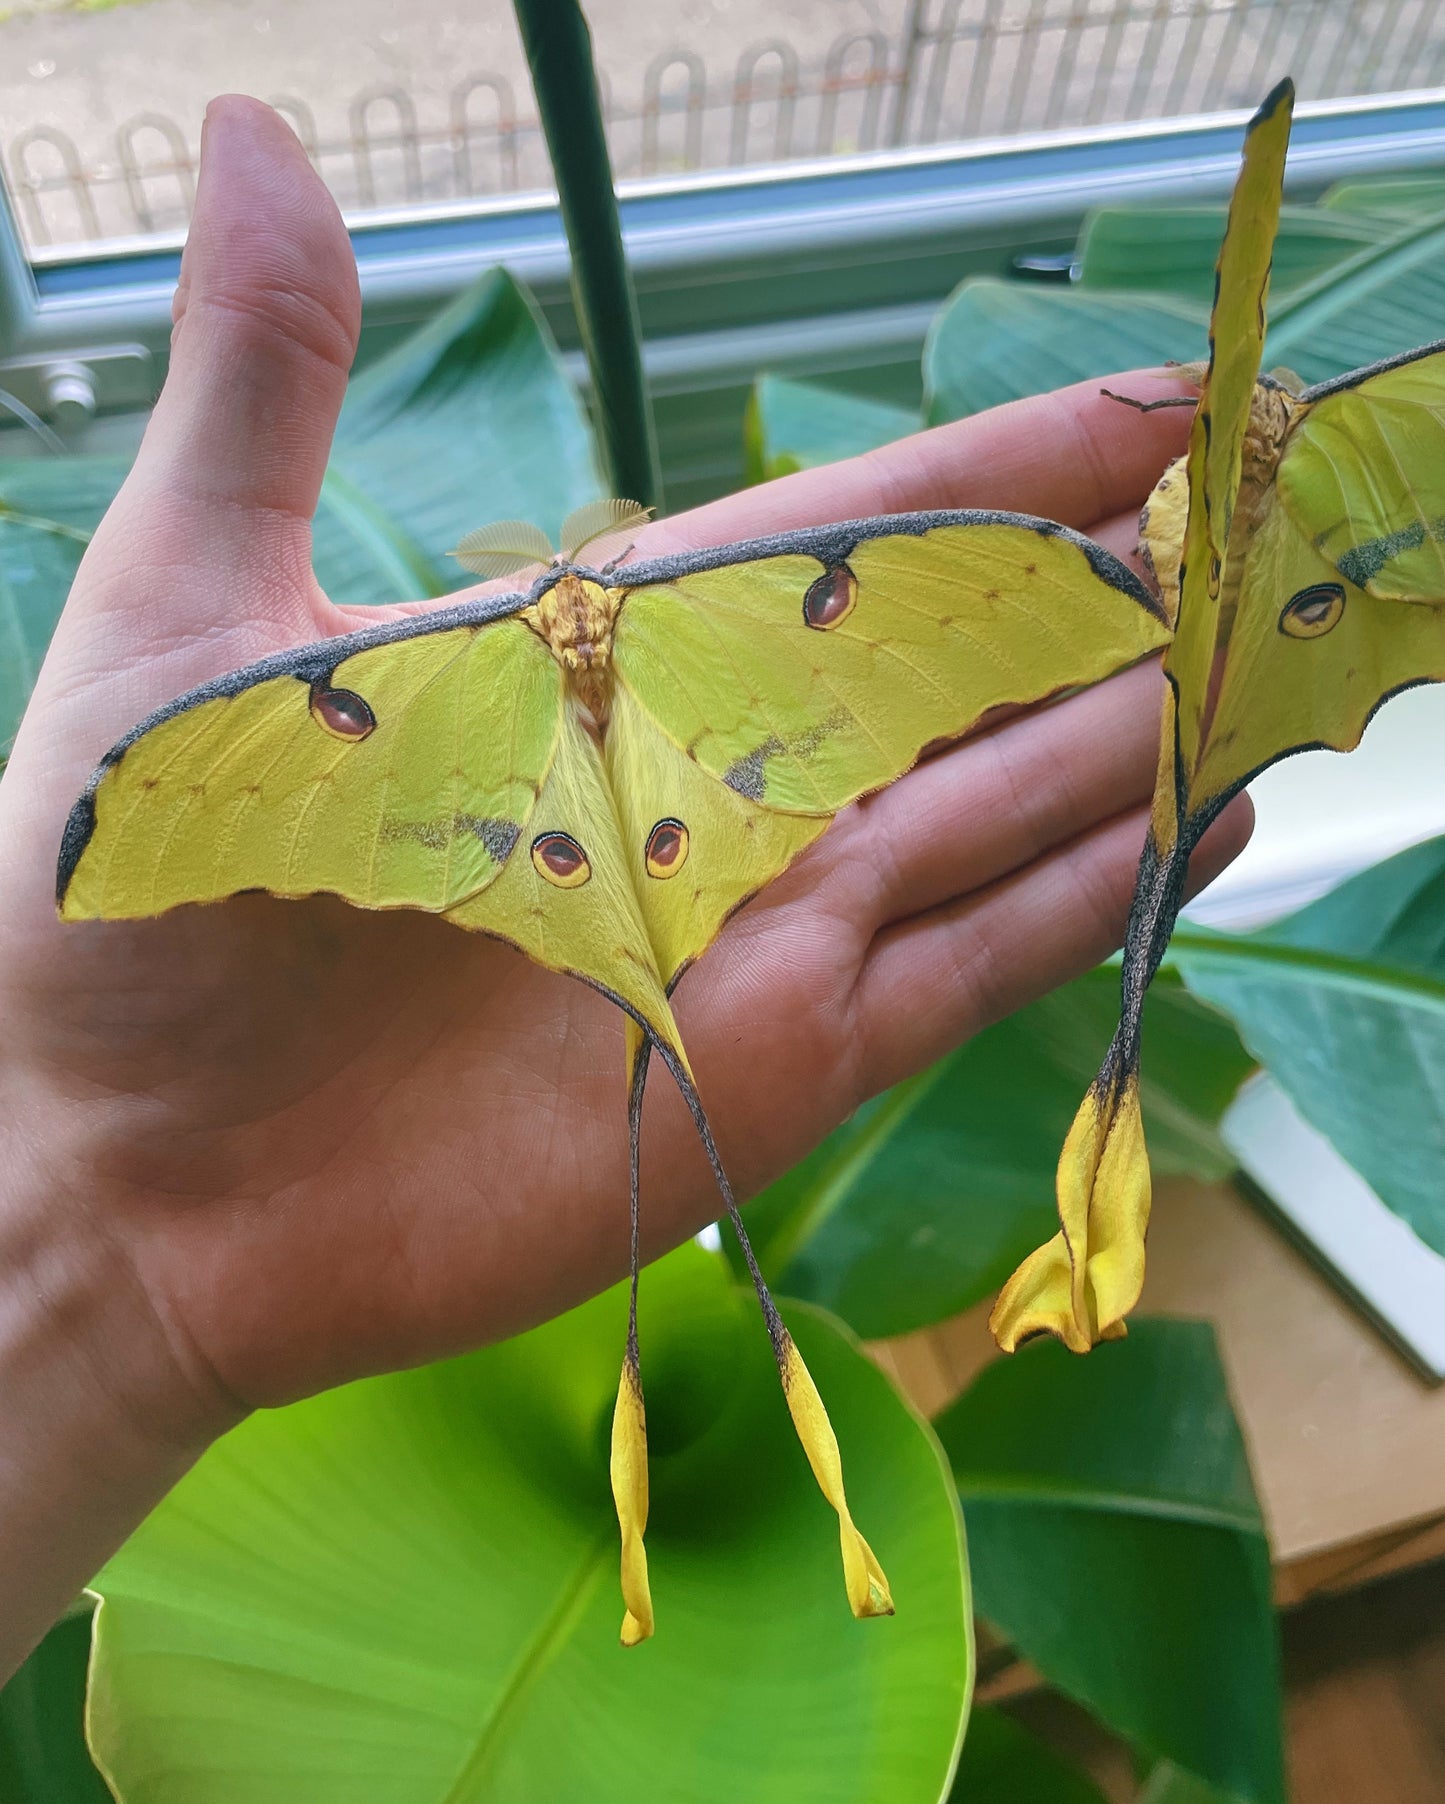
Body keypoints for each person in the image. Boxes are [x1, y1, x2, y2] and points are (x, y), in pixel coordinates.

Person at [0, 97, 1248, 1681]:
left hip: (648, 834)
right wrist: (75, 1166)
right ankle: (807, 1522)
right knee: (686, 1135)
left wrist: (76, 1211)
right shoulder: (457, 678)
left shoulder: (561, 643)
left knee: (685, 1139)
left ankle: (735, 1533)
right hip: (601, 851)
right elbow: (188, 793)